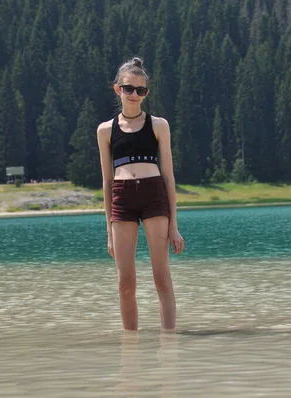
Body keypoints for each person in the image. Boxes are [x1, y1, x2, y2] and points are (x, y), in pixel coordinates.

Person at [97, 57, 184, 332]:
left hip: (153, 195)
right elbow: (107, 181)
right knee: (125, 283)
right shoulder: (104, 130)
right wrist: (108, 230)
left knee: (161, 276)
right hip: (122, 199)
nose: (134, 94)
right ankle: (130, 343)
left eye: (140, 90)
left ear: (147, 93)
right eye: (128, 89)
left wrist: (175, 227)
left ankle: (169, 344)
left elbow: (169, 176)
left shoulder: (159, 125)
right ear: (117, 89)